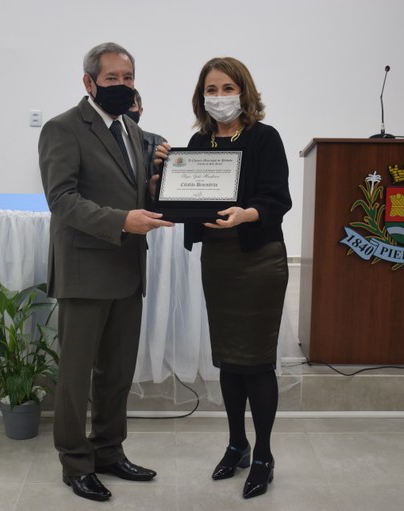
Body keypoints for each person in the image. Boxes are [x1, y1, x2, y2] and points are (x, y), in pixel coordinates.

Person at [38, 42, 173, 502]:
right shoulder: (63, 128)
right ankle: (76, 463)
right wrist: (122, 221)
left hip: (127, 267)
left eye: (128, 78)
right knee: (76, 376)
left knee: (117, 373)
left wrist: (155, 188)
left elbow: (133, 195)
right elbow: (62, 200)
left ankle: (109, 451)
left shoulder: (133, 130)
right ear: (89, 82)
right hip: (85, 270)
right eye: (112, 78)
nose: (122, 85)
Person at [155, 57, 292, 499]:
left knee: (257, 361)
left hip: (259, 260)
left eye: (227, 88)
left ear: (244, 92)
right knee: (229, 359)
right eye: (211, 90)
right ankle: (237, 444)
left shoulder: (265, 138)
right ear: (202, 96)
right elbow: (183, 202)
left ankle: (264, 455)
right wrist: (164, 176)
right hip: (218, 260)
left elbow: (277, 198)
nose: (219, 97)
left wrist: (246, 213)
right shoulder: (199, 143)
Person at [125, 89, 166, 180]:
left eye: (131, 106)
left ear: (140, 111)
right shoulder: (101, 140)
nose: (126, 111)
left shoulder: (157, 142)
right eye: (122, 106)